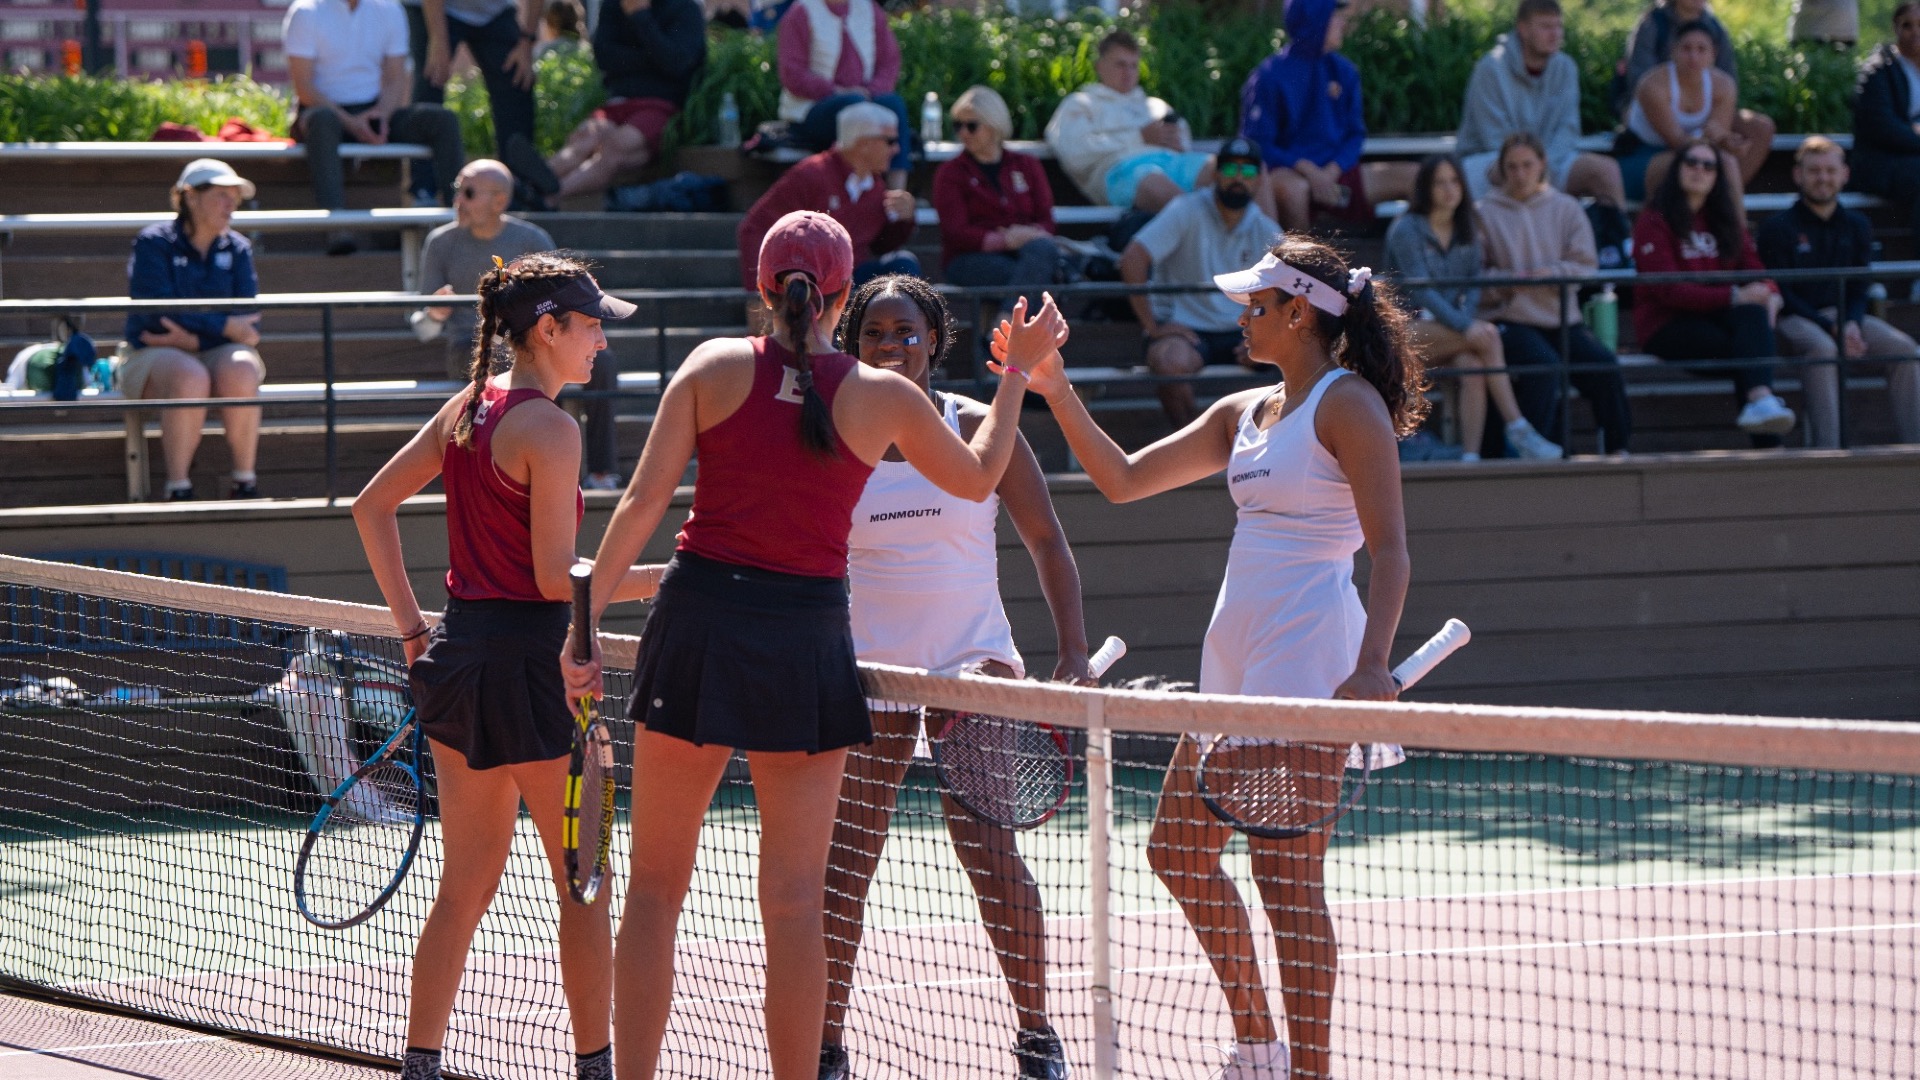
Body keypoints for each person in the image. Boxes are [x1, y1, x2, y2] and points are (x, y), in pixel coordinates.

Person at [561, 212, 1062, 1080]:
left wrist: (580, 629)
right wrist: (1017, 371)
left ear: (763, 288)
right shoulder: (882, 395)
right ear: (841, 296)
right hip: (805, 638)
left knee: (652, 895)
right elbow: (981, 473)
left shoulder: (713, 366)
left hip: (698, 623)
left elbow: (642, 505)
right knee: (796, 904)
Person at [998, 235, 1419, 1080]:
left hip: (1308, 661)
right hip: (1234, 657)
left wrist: (1373, 663)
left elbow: (1393, 551)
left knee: (1287, 883)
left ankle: (1309, 1071)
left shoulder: (1349, 407)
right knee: (1177, 854)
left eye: (1255, 306)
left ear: (1298, 314)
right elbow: (1120, 479)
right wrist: (1052, 386)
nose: (1241, 317)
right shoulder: (1243, 413)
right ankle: (1259, 1046)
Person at [351, 253, 641, 1080]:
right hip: (533, 672)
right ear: (547, 331)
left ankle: (422, 1064)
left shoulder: (466, 410)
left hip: (458, 662)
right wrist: (664, 575)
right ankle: (595, 1069)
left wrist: (413, 634)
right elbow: (558, 579)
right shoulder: (551, 427)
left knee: (466, 883)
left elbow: (370, 507)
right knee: (585, 882)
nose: (600, 346)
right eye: (590, 328)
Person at [818, 275, 1087, 1080]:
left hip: (974, 667)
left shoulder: (983, 426)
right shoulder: (835, 433)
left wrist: (1070, 654)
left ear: (934, 339)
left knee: (990, 851)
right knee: (844, 867)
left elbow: (1048, 541)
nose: (890, 346)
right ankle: (827, 1047)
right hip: (870, 674)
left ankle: (1037, 1036)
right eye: (873, 333)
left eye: (906, 331)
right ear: (853, 343)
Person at [1384, 154, 1562, 460]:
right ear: (1425, 188)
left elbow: (1474, 285)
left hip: (1448, 330)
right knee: (1488, 337)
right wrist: (1467, 326)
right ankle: (1519, 430)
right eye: (1439, 183)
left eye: (1454, 181)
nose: (1449, 190)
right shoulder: (1406, 229)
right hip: (1402, 332)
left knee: (1475, 366)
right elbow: (1422, 292)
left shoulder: (1467, 227)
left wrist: (1464, 322)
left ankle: (1470, 457)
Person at [1476, 134, 1633, 456]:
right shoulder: (1483, 211)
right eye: (1512, 166)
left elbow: (1585, 265)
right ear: (1502, 169)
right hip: (1509, 316)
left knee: (1604, 367)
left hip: (1562, 315)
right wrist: (1511, 281)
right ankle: (1537, 455)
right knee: (1542, 366)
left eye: (1527, 165)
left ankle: (1619, 450)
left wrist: (1553, 274)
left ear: (1542, 164)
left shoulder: (1566, 207)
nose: (1520, 173)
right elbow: (1476, 275)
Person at [1633, 137, 1796, 446]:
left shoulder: (1726, 220)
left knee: (1752, 320)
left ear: (1718, 177)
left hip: (1718, 317)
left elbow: (1755, 269)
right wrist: (1735, 296)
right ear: (1676, 170)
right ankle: (1768, 437)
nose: (1699, 170)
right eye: (1691, 162)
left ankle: (1760, 403)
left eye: (1709, 166)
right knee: (1748, 347)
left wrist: (1771, 293)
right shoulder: (1653, 221)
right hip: (1667, 324)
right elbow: (1669, 291)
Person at [121, 159, 267, 502]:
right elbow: (157, 315)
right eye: (221, 195)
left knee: (242, 367)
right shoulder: (153, 242)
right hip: (149, 354)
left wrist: (195, 337)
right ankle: (178, 488)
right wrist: (221, 326)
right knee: (190, 375)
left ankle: (245, 483)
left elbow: (247, 320)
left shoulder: (239, 247)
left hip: (203, 348)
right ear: (190, 197)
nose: (231, 204)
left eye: (235, 196)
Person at [1759, 137, 1920, 447]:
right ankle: (1828, 452)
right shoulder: (1777, 228)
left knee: (1906, 350)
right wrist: (1830, 327)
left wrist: (1851, 322)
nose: (1823, 178)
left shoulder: (1857, 225)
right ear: (1798, 175)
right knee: (1823, 349)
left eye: (1830, 171)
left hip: (1843, 317)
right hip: (1794, 319)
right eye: (1814, 170)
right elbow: (1782, 293)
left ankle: (1914, 448)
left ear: (1844, 174)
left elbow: (1860, 286)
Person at [1119, 137, 1283, 428]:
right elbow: (1133, 258)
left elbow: (1287, 288)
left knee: (1302, 351)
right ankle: (1197, 458)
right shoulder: (1185, 209)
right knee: (1169, 363)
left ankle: (1267, 456)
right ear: (1216, 174)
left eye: (1247, 172)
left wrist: (1265, 338)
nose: (1238, 178)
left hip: (1243, 329)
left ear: (1258, 181)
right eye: (1231, 169)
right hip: (1186, 330)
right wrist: (1153, 326)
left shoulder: (1265, 228)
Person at [282, 0, 466, 255]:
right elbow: (305, 88)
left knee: (442, 120)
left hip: (374, 109)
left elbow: (395, 79)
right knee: (324, 120)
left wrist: (380, 116)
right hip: (322, 113)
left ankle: (464, 219)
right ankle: (336, 225)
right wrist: (352, 122)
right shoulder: (305, 11)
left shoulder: (390, 10)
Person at [1239, 0, 1415, 234]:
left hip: (1337, 175)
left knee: (1420, 178)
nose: (1343, 23)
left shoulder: (1345, 71)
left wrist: (1332, 170)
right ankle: (1302, 265)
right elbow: (1258, 144)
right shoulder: (1268, 75)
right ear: (1315, 20)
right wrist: (1308, 170)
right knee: (1294, 190)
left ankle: (1413, 261)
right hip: (1290, 174)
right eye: (1334, 16)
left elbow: (1355, 134)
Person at [737, 103, 918, 299]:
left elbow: (879, 246)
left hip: (851, 282)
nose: (896, 149)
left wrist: (904, 220)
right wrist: (759, 295)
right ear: (864, 143)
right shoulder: (811, 174)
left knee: (903, 265)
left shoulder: (875, 186)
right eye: (890, 141)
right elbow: (754, 228)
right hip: (811, 286)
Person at [1454, 0, 1625, 205]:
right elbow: (1494, 138)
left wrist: (1543, 167)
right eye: (1546, 27)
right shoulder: (1490, 69)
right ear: (1523, 29)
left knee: (1605, 171)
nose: (1555, 34)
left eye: (1558, 26)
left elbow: (1567, 130)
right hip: (1492, 162)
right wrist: (1530, 167)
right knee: (1515, 173)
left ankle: (1618, 236)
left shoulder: (1566, 67)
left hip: (1549, 162)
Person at [542, 0, 707, 206]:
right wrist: (653, 61)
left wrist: (640, 16)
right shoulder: (613, 6)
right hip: (617, 103)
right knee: (584, 139)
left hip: (662, 106)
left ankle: (546, 199)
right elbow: (604, 57)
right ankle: (520, 186)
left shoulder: (685, 8)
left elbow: (677, 63)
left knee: (615, 147)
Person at [1044, 29, 1213, 214]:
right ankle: (1207, 232)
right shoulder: (1080, 104)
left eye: (1133, 65)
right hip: (1122, 171)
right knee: (1154, 182)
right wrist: (1139, 137)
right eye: (1120, 64)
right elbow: (1076, 153)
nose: (1128, 72)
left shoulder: (1155, 106)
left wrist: (1177, 143)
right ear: (1099, 66)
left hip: (1174, 163)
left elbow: (1184, 143)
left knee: (1231, 170)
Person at [1616, 5, 1773, 200]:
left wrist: (1726, 140)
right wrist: (1715, 141)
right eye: (1687, 49)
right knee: (1694, 163)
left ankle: (1728, 217)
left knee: (1741, 147)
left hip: (1694, 142)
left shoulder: (1722, 78)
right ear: (1673, 50)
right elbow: (1680, 142)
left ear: (1713, 53)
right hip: (1649, 149)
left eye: (1701, 49)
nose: (1694, 57)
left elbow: (1714, 134)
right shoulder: (1652, 78)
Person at [402, 0, 542, 205]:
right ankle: (424, 191)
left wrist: (527, 41)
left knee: (518, 79)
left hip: (494, 10)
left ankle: (518, 189)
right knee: (431, 79)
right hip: (435, 8)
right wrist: (438, 41)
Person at [933, 86, 1063, 296]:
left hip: (1027, 253)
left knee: (1040, 255)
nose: (963, 133)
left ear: (994, 125)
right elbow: (955, 231)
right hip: (969, 259)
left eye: (972, 126)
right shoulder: (950, 173)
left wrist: (1026, 235)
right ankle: (1007, 327)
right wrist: (1003, 240)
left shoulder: (1027, 165)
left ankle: (998, 326)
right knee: (1034, 278)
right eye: (958, 125)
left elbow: (1046, 220)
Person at [777, 0, 912, 188]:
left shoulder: (869, 8)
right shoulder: (801, 11)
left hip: (864, 99)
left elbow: (889, 62)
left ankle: (897, 194)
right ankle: (853, 191)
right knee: (853, 105)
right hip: (811, 111)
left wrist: (871, 91)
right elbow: (792, 74)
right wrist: (836, 91)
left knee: (893, 105)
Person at [1850, 2, 1920, 279]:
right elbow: (1883, 128)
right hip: (1881, 164)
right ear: (1895, 28)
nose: (1915, 32)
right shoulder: (1878, 70)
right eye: (1907, 25)